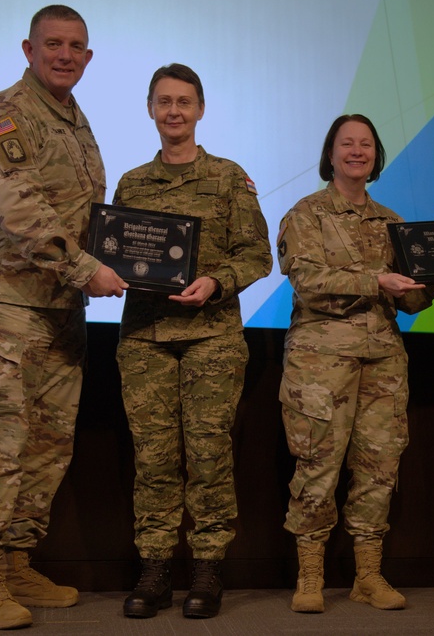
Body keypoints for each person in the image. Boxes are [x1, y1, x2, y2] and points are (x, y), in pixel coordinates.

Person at [0, 5, 127, 630]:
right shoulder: (4, 113)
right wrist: (89, 271)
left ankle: (17, 560)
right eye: (54, 43)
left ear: (88, 56)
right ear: (28, 47)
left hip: (57, 312)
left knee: (47, 445)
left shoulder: (76, 123)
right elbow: (17, 209)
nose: (65, 54)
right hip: (4, 307)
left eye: (77, 46)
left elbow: (86, 219)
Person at [113, 63, 272, 620]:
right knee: (154, 460)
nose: (174, 112)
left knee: (208, 456)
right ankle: (155, 571)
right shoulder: (132, 183)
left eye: (184, 102)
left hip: (212, 339)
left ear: (201, 109)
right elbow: (119, 252)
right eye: (164, 102)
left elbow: (258, 253)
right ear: (151, 110)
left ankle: (206, 571)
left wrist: (217, 282)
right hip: (146, 338)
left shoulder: (230, 177)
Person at [276, 114, 434, 614]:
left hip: (383, 363)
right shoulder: (306, 214)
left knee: (379, 468)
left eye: (366, 144)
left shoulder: (393, 222)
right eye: (347, 143)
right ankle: (310, 576)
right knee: (318, 465)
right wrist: (378, 282)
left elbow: (410, 303)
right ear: (331, 154)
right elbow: (307, 280)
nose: (357, 151)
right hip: (320, 365)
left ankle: (368, 575)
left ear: (376, 155)